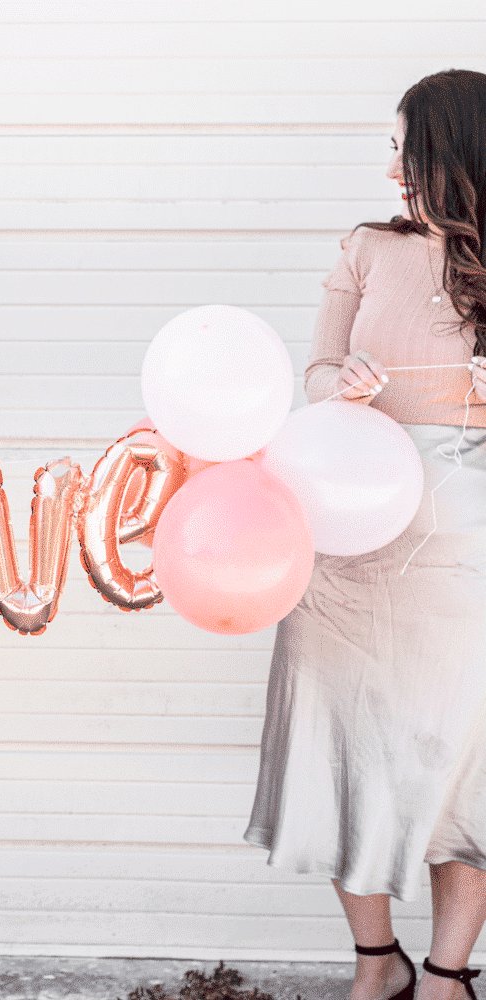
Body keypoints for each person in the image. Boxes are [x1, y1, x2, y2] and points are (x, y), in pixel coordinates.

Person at [243, 70, 486, 1000]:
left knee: (463, 754)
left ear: (451, 152)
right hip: (351, 525)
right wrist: (336, 386)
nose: (392, 171)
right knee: (355, 749)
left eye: (405, 149)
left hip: (465, 537)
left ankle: (449, 973)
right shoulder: (365, 248)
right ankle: (376, 963)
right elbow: (311, 370)